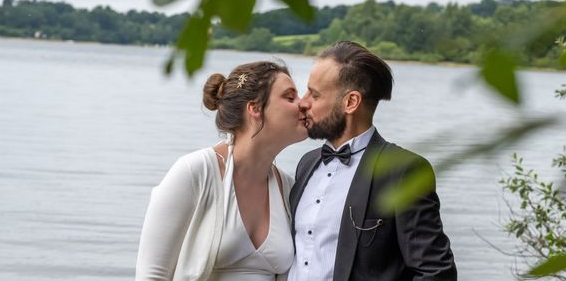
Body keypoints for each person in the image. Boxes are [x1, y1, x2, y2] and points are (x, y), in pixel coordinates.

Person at [288, 41, 457, 281]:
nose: (303, 102)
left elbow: (436, 272)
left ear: (350, 102)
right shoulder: (307, 163)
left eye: (314, 94)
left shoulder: (403, 171)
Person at [135, 61, 308, 281]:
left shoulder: (288, 187)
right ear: (254, 108)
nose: (303, 104)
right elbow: (152, 275)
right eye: (290, 97)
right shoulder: (195, 172)